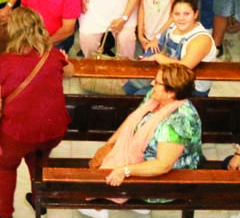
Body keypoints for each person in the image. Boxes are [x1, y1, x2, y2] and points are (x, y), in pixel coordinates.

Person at [0, 7, 72, 218]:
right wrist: (65, 59)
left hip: (18, 134)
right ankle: (38, 201)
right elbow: (70, 72)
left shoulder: (2, 63)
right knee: (37, 161)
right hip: (53, 130)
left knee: (6, 166)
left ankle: (5, 213)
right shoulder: (53, 55)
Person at [82, 65, 202, 218]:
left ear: (171, 92)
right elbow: (132, 120)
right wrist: (109, 145)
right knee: (103, 165)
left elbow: (163, 165)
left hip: (169, 178)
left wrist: (125, 170)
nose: (152, 83)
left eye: (157, 82)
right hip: (141, 158)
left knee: (103, 178)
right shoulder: (155, 97)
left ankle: (102, 204)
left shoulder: (178, 121)